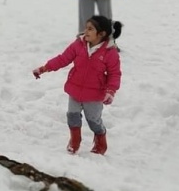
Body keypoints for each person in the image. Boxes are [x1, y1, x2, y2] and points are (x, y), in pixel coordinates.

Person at [32, 16, 122, 155]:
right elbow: (63, 59)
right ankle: (75, 140)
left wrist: (111, 91)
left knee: (93, 121)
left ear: (101, 34)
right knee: (72, 116)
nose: (85, 31)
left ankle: (100, 138)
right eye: (86, 28)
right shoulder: (78, 44)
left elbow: (114, 73)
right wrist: (45, 68)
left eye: (90, 29)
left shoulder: (110, 52)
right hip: (75, 89)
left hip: (94, 94)